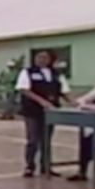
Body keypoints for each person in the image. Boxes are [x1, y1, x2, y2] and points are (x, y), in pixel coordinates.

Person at [16, 50, 71, 178]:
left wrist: (75, 103)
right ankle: (29, 167)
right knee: (33, 139)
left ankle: (46, 166)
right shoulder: (28, 72)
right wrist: (42, 101)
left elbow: (64, 91)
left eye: (45, 57)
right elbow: (24, 89)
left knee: (46, 140)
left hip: (50, 111)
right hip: (32, 110)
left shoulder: (56, 74)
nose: (41, 59)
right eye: (39, 57)